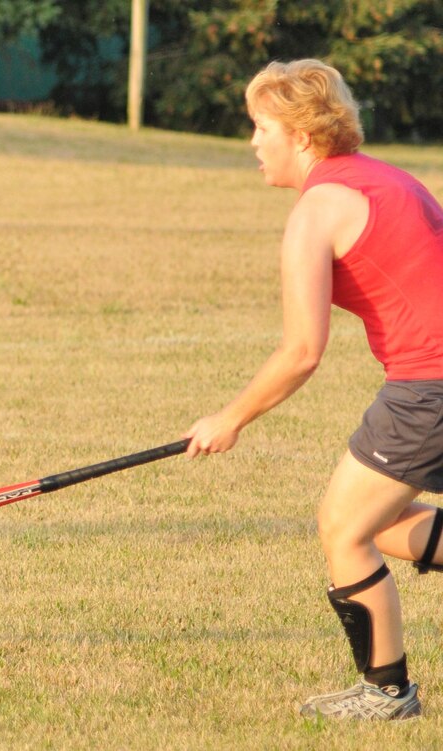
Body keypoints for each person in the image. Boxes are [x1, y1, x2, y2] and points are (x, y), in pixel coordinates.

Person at [184, 59, 443, 721]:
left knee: (343, 527)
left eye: (261, 126)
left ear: (300, 136)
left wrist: (230, 418)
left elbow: (302, 351)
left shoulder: (316, 211)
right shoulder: (387, 177)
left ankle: (387, 693)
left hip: (430, 384)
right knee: (376, 525)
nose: (253, 142)